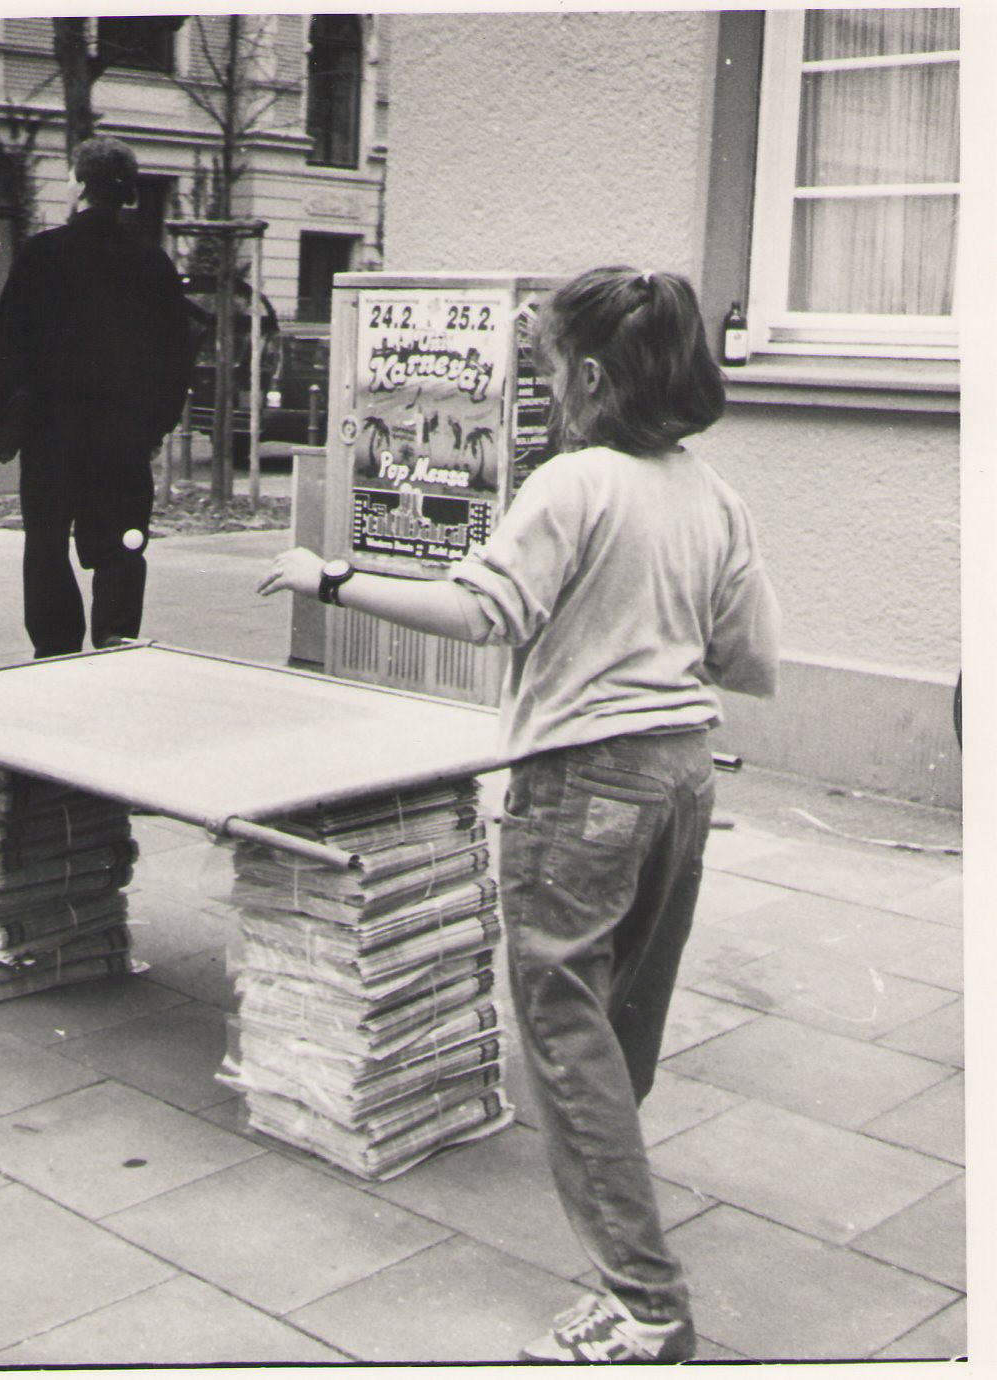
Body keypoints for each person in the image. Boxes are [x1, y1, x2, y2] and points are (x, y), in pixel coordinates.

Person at [258, 266, 779, 1364]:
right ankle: (618, 1236)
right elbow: (752, 661)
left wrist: (330, 579)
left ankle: (644, 1305)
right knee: (612, 1027)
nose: (541, 386)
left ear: (588, 375)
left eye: (543, 365)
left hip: (582, 784)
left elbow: (484, 612)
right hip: (683, 776)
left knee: (561, 1033)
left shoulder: (574, 483)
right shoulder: (709, 492)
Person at [0, 135, 192, 658]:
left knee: (47, 544)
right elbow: (176, 359)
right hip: (122, 437)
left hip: (52, 434)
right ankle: (116, 635)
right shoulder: (153, 264)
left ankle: (55, 649)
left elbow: (7, 345)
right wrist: (154, 427)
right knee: (122, 542)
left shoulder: (42, 255)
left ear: (79, 184)